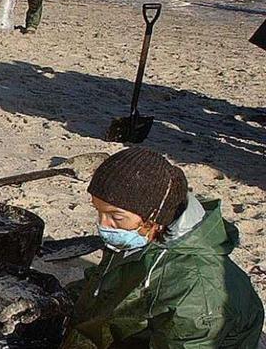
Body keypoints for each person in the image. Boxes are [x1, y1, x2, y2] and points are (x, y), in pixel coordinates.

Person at [61, 147, 263, 349]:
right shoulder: (143, 235)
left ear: (155, 217)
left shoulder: (197, 290)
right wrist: (61, 300)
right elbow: (108, 282)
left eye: (116, 217)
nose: (103, 224)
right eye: (99, 211)